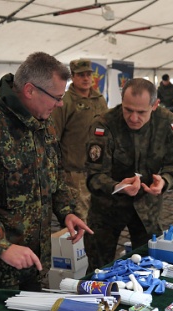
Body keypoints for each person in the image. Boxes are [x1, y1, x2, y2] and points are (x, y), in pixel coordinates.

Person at [0, 52, 93, 290]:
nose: (60, 104)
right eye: (56, 97)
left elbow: (55, 173)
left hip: (34, 259)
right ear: (30, 90)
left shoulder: (43, 121)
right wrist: (1, 246)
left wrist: (66, 212)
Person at [84, 78, 173, 272]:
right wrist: (117, 186)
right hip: (107, 209)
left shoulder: (167, 123)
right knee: (98, 268)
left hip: (147, 209)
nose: (133, 118)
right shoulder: (104, 124)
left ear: (155, 105)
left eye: (141, 112)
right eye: (128, 110)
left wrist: (164, 181)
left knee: (149, 267)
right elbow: (94, 176)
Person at [50, 58, 109, 220]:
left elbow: (108, 128)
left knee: (98, 213)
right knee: (80, 215)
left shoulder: (99, 99)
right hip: (75, 170)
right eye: (80, 75)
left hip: (98, 168)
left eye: (88, 75)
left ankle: (94, 244)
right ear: (73, 77)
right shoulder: (65, 101)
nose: (85, 79)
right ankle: (81, 245)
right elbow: (54, 135)